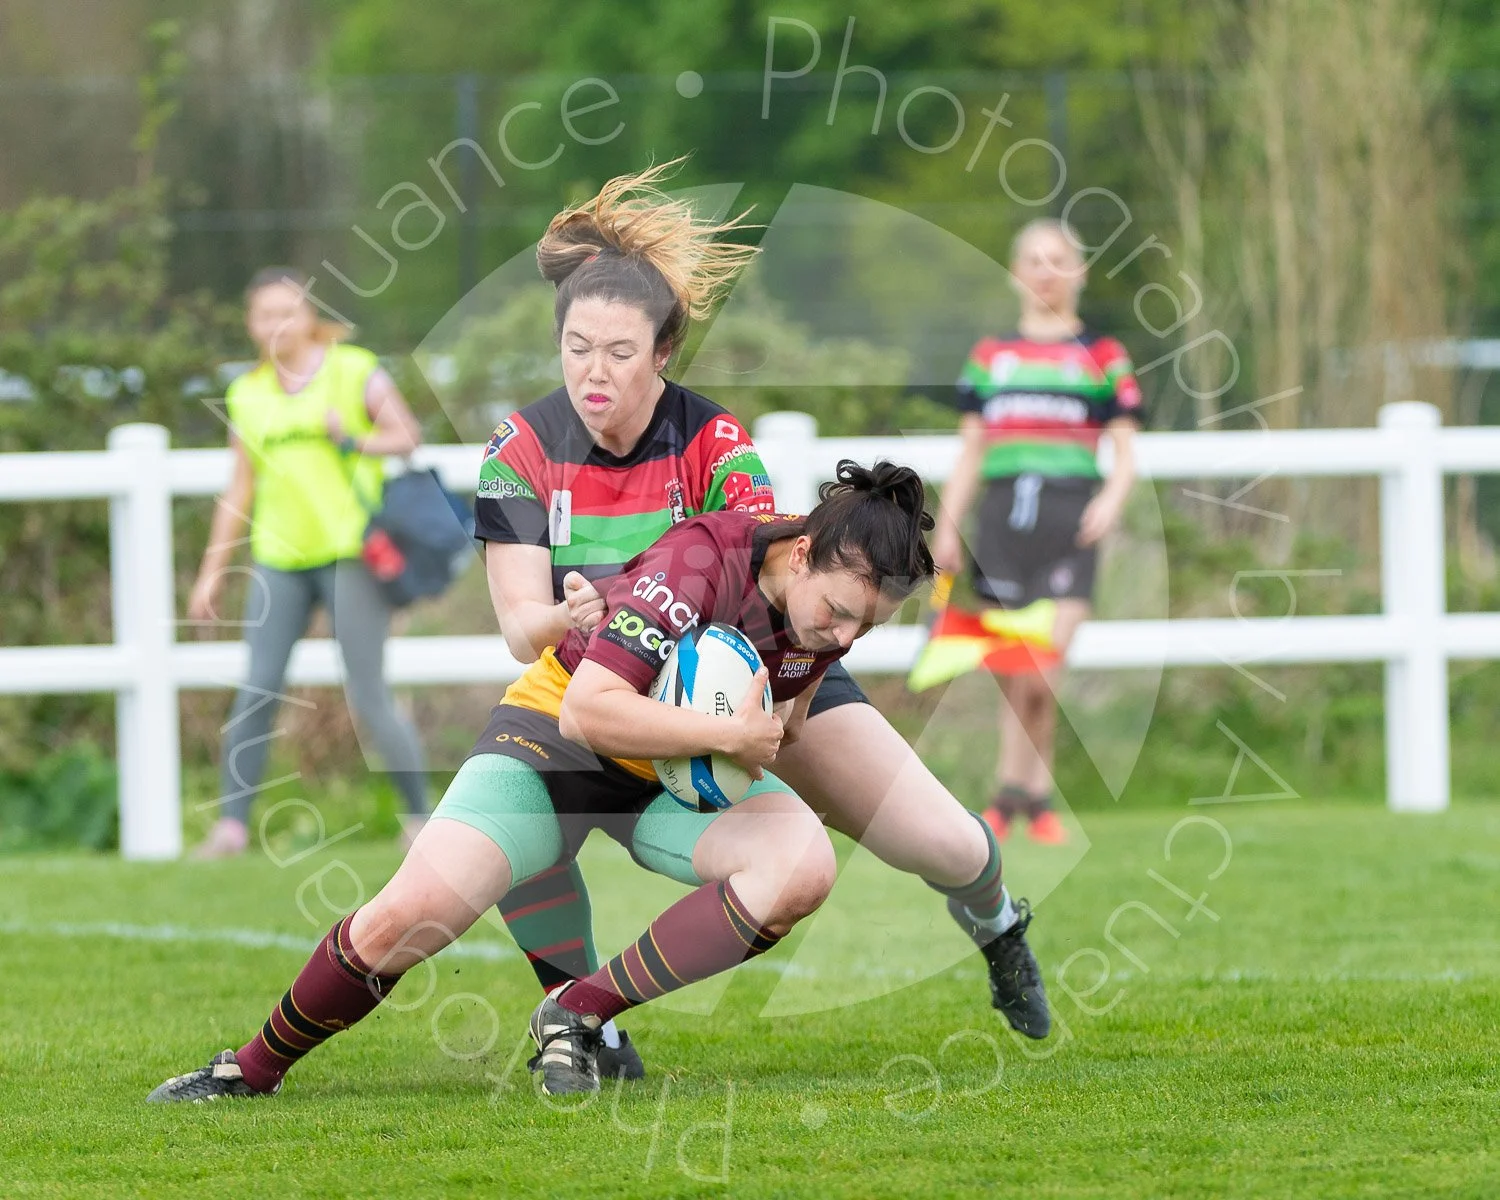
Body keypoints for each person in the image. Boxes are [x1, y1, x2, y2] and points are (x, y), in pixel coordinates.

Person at [145, 462, 1021, 1103]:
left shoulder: (816, 618)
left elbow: (779, 718)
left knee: (802, 865)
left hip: (665, 782)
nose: (842, 639)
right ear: (797, 555)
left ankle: (575, 1011)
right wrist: (731, 734)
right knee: (405, 918)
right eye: (838, 611)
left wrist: (769, 727)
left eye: (865, 628)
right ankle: (249, 1070)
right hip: (552, 749)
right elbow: (590, 715)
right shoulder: (699, 563)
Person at [476, 164, 1050, 1078]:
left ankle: (996, 922)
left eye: (618, 341)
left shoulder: (715, 440)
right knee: (527, 817)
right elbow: (519, 628)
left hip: (761, 673)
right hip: (606, 679)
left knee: (940, 842)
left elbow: (797, 598)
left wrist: (777, 715)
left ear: (656, 345)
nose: (596, 361)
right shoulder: (519, 447)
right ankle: (586, 1025)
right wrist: (570, 615)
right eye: (581, 338)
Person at [186, 267, 430, 858]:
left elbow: (407, 435)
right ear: (251, 324)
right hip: (280, 559)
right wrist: (212, 570)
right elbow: (239, 488)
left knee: (368, 690)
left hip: (351, 552)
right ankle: (231, 828)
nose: (276, 325)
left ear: (307, 315)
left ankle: (421, 821)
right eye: (264, 315)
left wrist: (352, 438)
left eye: (286, 312)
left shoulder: (353, 369)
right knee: (258, 688)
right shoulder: (248, 394)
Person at [932, 219, 1143, 845]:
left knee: (1043, 670)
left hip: (1071, 525)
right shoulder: (991, 357)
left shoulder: (1104, 356)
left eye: (1058, 260)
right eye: (1034, 259)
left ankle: (1027, 792)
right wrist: (947, 527)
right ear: (1015, 271)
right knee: (1012, 670)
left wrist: (1111, 498)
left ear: (1078, 272)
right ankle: (1019, 798)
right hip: (1001, 526)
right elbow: (970, 453)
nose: (1046, 271)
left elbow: (1127, 453)